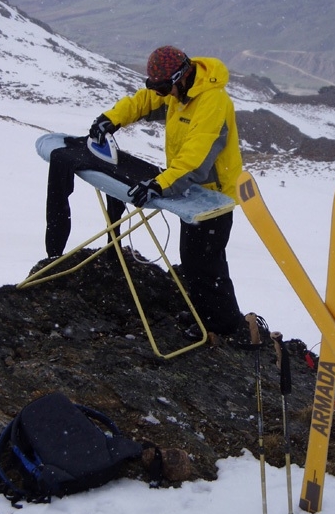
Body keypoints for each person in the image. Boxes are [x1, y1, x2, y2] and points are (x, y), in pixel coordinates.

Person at [89, 45, 257, 343]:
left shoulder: (212, 102)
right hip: (191, 193)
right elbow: (143, 102)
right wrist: (110, 119)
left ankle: (224, 326)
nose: (163, 94)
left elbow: (195, 157)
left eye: (166, 87)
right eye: (160, 88)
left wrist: (159, 184)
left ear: (181, 76)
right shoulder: (178, 93)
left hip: (214, 198)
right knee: (193, 259)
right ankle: (207, 315)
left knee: (206, 263)